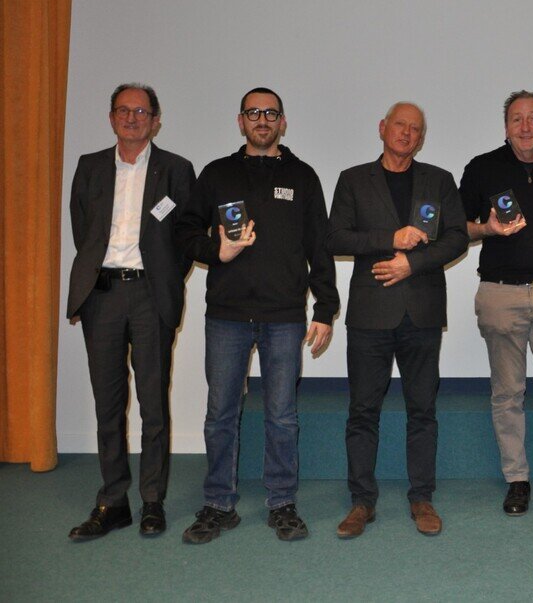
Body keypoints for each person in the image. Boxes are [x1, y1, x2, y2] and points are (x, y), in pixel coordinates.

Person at [176, 87, 338, 543]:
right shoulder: (216, 174)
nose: (262, 120)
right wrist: (217, 251)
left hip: (284, 316)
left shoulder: (303, 176)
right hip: (226, 315)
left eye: (271, 113)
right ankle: (218, 503)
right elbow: (185, 232)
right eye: (254, 113)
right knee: (219, 415)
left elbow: (319, 247)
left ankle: (282, 502)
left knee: (282, 416)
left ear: (282, 122)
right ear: (240, 120)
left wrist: (325, 308)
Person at [327, 102, 468, 538]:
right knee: (362, 412)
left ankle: (421, 498)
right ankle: (361, 503)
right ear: (382, 128)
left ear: (421, 138)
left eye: (415, 129)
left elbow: (458, 238)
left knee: (422, 410)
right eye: (400, 125)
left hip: (422, 312)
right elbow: (334, 237)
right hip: (370, 313)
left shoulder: (440, 181)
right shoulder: (352, 180)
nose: (406, 133)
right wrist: (389, 240)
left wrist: (413, 263)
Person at [67, 83, 195, 540]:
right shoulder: (89, 167)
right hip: (101, 294)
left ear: (155, 120)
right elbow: (83, 230)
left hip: (148, 295)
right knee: (108, 403)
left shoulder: (177, 170)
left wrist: (161, 280)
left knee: (153, 402)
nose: (132, 117)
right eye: (124, 110)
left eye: (141, 111)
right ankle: (113, 500)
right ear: (111, 117)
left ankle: (152, 501)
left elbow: (185, 237)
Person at [459, 90, 533, 524]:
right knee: (507, 393)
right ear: (505, 127)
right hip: (500, 292)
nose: (525, 126)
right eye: (516, 119)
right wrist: (487, 228)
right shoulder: (481, 168)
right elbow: (458, 229)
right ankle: (517, 479)